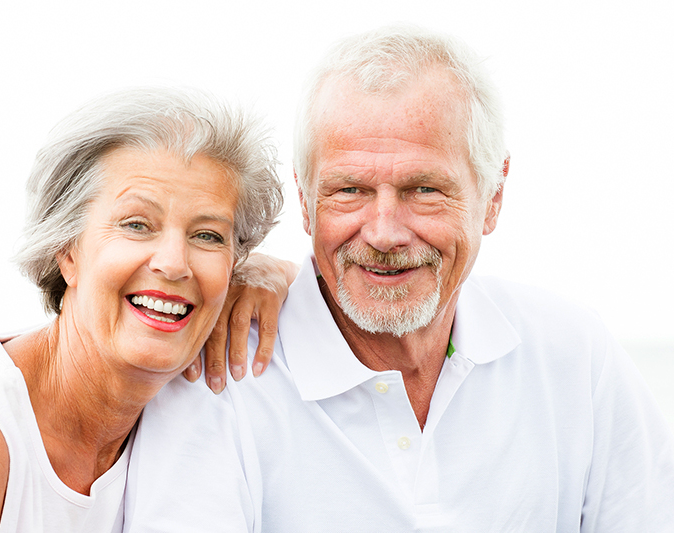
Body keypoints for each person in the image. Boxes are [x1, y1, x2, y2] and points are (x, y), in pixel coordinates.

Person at [124, 26, 674, 531]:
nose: (384, 233)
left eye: (423, 190)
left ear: (493, 195)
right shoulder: (216, 381)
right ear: (305, 202)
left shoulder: (575, 358)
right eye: (350, 190)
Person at [0, 87, 289, 532]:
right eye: (136, 225)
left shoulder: (179, 413)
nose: (173, 262)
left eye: (208, 235)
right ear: (66, 250)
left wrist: (280, 276)